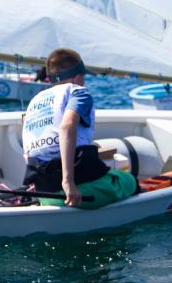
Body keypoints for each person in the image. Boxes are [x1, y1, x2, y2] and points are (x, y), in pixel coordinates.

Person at [21, 48, 137, 209]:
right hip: (76, 190)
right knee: (129, 181)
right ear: (77, 76)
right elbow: (67, 126)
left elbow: (29, 150)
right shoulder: (78, 92)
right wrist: (68, 182)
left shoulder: (35, 101)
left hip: (45, 192)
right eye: (84, 76)